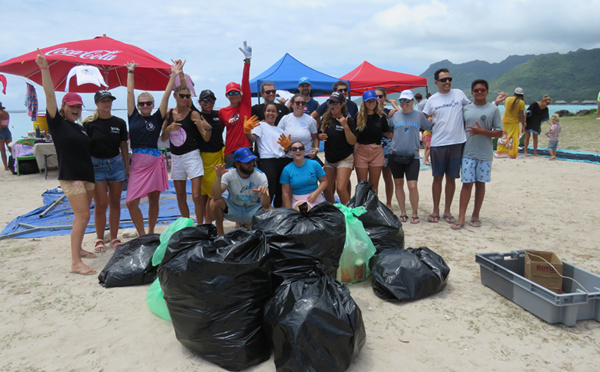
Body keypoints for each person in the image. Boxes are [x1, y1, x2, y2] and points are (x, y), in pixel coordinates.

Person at [35, 49, 97, 275]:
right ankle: (75, 263)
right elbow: (49, 95)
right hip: (71, 175)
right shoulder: (57, 124)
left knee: (83, 215)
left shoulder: (79, 127)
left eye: (79, 106)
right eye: (72, 106)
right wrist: (45, 69)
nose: (76, 109)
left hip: (87, 174)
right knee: (82, 216)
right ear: (63, 107)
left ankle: (79, 249)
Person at [124, 60, 180, 237]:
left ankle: (150, 232)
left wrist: (174, 74)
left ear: (152, 104)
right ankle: (141, 234)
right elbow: (130, 91)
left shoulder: (157, 118)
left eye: (148, 103)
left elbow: (166, 95)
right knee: (131, 202)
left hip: (155, 161)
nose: (145, 106)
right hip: (138, 163)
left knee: (154, 200)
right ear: (138, 106)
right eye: (142, 104)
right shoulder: (132, 116)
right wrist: (131, 72)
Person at [451, 79, 503, 230]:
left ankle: (475, 215)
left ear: (487, 91)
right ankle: (461, 217)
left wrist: (482, 132)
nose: (479, 92)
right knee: (466, 185)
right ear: (472, 92)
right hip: (467, 152)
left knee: (480, 184)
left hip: (485, 154)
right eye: (476, 90)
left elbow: (500, 132)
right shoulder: (465, 108)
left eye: (482, 90)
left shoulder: (493, 109)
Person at [82, 90, 129, 251]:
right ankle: (100, 238)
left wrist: (126, 166)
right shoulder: (88, 124)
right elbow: (84, 148)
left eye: (109, 101)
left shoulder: (120, 123)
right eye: (103, 101)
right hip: (96, 166)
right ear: (96, 103)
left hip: (116, 165)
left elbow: (124, 145)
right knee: (101, 204)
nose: (106, 104)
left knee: (115, 203)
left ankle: (114, 237)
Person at [422, 68, 471, 224]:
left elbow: (471, 109)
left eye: (449, 79)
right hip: (438, 144)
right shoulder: (432, 100)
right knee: (437, 178)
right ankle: (435, 210)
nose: (447, 82)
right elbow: (423, 117)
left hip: (457, 143)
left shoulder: (459, 94)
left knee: (451, 179)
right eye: (443, 80)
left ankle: (447, 210)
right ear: (436, 83)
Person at [161, 84, 211, 222]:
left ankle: (200, 225)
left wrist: (208, 127)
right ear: (175, 96)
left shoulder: (193, 113)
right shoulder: (169, 113)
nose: (184, 98)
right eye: (181, 95)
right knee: (180, 195)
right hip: (176, 157)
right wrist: (169, 128)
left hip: (192, 155)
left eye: (187, 96)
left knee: (196, 195)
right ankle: (186, 224)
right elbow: (163, 137)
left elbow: (206, 137)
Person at [388, 90, 433, 224]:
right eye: (402, 100)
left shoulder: (418, 116)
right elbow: (387, 129)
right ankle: (403, 212)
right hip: (395, 156)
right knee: (398, 184)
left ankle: (414, 212)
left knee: (412, 186)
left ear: (412, 101)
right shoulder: (394, 116)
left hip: (412, 157)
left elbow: (431, 127)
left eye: (407, 100)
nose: (405, 103)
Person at [210, 147, 270, 236]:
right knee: (214, 203)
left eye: (252, 161)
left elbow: (266, 204)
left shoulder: (260, 176)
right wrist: (218, 177)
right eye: (247, 162)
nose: (251, 164)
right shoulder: (229, 173)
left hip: (252, 210)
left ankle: (261, 237)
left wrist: (264, 195)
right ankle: (220, 235)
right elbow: (215, 196)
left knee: (271, 210)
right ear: (237, 164)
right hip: (234, 209)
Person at [245, 103, 291, 207]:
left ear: (277, 114)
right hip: (267, 161)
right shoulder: (260, 125)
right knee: (270, 190)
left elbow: (285, 151)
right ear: (264, 113)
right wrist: (247, 131)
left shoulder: (280, 130)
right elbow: (252, 139)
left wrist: (287, 148)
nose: (271, 113)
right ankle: (266, 215)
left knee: (281, 191)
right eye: (268, 111)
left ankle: (279, 216)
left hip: (282, 160)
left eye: (273, 111)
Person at [218, 41, 253, 168]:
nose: (233, 95)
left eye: (236, 92)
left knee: (248, 181)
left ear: (241, 93)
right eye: (230, 93)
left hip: (246, 149)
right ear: (226, 96)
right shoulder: (222, 112)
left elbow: (245, 81)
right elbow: (218, 132)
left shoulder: (245, 105)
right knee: (231, 184)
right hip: (230, 152)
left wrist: (247, 60)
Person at [319, 92, 357, 204]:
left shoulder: (348, 120)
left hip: (345, 158)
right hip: (330, 158)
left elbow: (352, 142)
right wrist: (320, 136)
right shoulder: (325, 119)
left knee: (341, 188)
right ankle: (335, 209)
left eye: (335, 102)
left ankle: (348, 213)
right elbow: (319, 134)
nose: (332, 104)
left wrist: (345, 126)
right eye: (330, 102)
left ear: (341, 105)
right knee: (326, 188)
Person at [354, 90, 390, 196]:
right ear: (364, 102)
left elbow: (388, 133)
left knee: (374, 185)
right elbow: (353, 136)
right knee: (362, 184)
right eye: (368, 101)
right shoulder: (358, 116)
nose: (371, 103)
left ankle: (372, 209)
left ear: (376, 101)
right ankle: (361, 209)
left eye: (373, 100)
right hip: (361, 151)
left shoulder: (381, 116)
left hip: (377, 151)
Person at [197, 89, 225, 223]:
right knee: (203, 194)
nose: (209, 103)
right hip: (203, 157)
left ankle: (208, 223)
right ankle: (205, 222)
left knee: (212, 193)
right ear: (200, 102)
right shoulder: (196, 115)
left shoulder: (218, 114)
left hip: (218, 155)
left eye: (212, 100)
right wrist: (180, 76)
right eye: (205, 100)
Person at [280, 141, 328, 209]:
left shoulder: (314, 164)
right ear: (290, 152)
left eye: (301, 148)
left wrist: (316, 193)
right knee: (304, 208)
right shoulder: (287, 170)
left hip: (315, 197)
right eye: (294, 149)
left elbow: (324, 181)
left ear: (304, 151)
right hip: (298, 199)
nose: (298, 150)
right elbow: (285, 192)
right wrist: (289, 210)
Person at [278, 94, 320, 162]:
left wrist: (316, 149)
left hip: (306, 156)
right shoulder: (285, 119)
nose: (300, 105)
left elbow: (315, 137)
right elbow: (277, 135)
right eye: (297, 103)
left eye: (303, 103)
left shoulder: (310, 120)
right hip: (288, 157)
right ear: (292, 105)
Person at [376, 87, 397, 208]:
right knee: (374, 178)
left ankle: (389, 203)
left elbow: (402, 121)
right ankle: (375, 202)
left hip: (388, 147)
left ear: (385, 97)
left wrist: (395, 106)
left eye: (380, 96)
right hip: (374, 147)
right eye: (376, 96)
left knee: (387, 176)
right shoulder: (369, 112)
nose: (378, 99)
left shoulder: (390, 113)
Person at [495, 87, 525, 159]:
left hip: (504, 121)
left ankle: (501, 153)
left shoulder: (508, 99)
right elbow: (521, 115)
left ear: (514, 93)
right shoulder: (521, 102)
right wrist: (523, 125)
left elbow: (506, 108)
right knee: (513, 139)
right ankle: (511, 154)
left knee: (503, 137)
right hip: (514, 122)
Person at [0, 102, 12, 171]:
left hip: (1, 131)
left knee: (2, 150)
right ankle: (16, 162)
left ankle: (6, 167)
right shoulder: (6, 113)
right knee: (10, 149)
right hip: (7, 131)